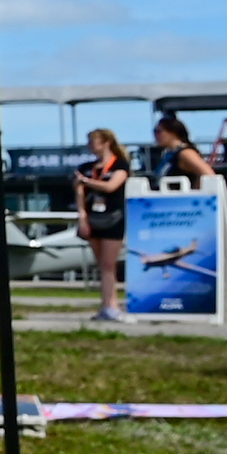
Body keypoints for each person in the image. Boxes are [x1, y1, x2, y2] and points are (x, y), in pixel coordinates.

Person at [75, 126, 131, 320]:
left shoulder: (120, 165)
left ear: (106, 143)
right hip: (93, 218)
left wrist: (87, 181)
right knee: (101, 265)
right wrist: (82, 217)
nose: (90, 146)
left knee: (109, 264)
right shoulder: (86, 168)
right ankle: (105, 305)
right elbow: (80, 194)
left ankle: (112, 305)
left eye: (94, 141)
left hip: (113, 218)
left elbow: (111, 186)